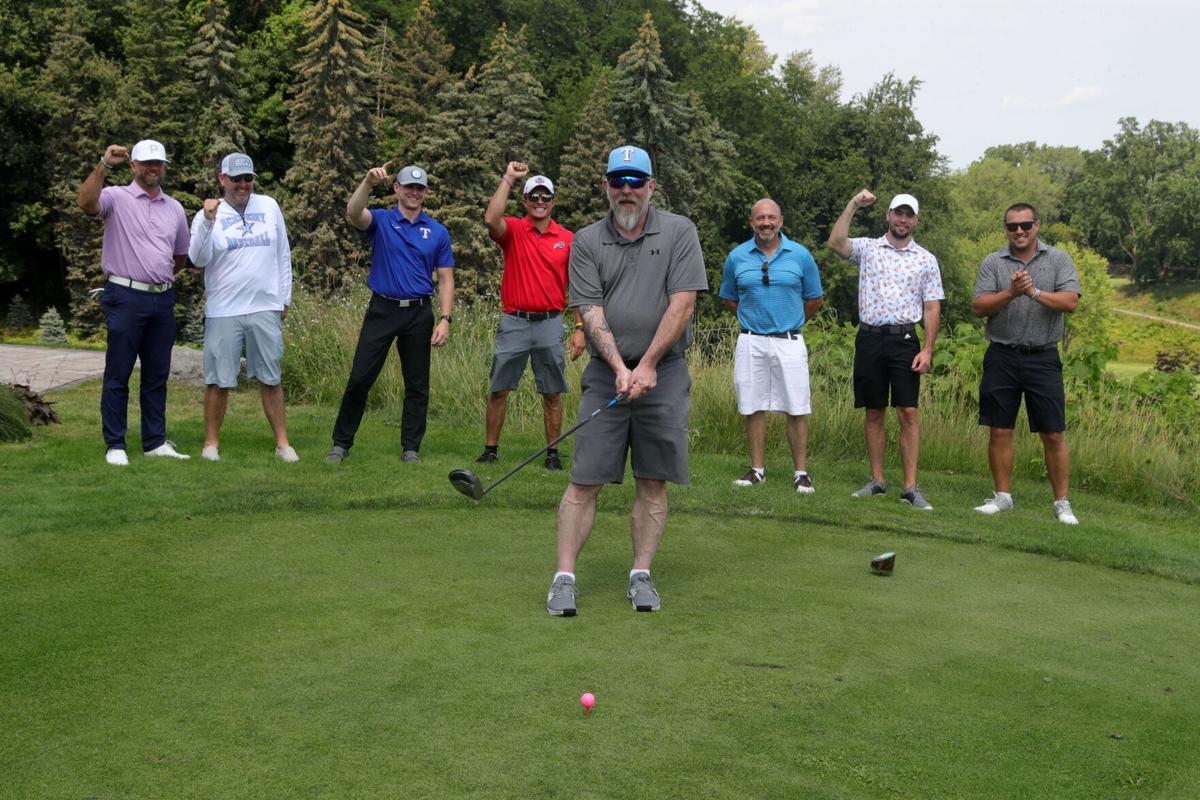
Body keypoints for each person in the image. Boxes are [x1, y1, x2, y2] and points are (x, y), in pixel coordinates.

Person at [545, 145, 708, 617]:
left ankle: (641, 574)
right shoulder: (587, 241)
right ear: (606, 187)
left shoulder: (679, 231)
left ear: (652, 186)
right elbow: (589, 311)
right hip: (605, 375)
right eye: (619, 181)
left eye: (637, 181)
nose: (628, 190)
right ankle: (564, 578)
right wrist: (620, 368)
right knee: (584, 478)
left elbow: (683, 304)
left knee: (653, 480)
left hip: (666, 372)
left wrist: (650, 364)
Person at [325, 163, 454, 464]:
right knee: (360, 378)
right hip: (383, 309)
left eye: (420, 188)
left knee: (417, 384)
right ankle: (341, 444)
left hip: (419, 313)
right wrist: (368, 182)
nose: (414, 192)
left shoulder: (437, 232)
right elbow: (354, 213)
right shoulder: (382, 220)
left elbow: (446, 278)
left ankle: (411, 447)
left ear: (425, 193)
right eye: (408, 186)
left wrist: (446, 319)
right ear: (396, 188)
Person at [77, 140, 191, 466]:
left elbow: (180, 255)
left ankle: (154, 442)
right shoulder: (116, 197)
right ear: (133, 166)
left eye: (158, 163)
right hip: (125, 297)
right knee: (119, 373)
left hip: (162, 299)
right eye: (146, 163)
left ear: (164, 167)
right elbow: (85, 203)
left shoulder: (175, 208)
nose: (153, 168)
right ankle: (115, 444)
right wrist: (104, 163)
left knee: (156, 375)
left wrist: (160, 277)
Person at [828, 190, 943, 509]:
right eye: (898, 213)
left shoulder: (926, 259)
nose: (903, 219)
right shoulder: (868, 248)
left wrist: (929, 349)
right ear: (888, 216)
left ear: (915, 220)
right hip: (869, 338)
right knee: (874, 410)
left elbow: (932, 306)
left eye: (909, 215)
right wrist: (853, 203)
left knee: (908, 411)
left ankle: (910, 488)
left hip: (905, 340)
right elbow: (836, 243)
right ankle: (877, 481)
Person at [971, 203, 1081, 524]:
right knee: (1000, 429)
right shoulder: (993, 261)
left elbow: (1070, 301)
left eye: (1026, 225)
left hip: (1043, 356)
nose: (1019, 231)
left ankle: (1062, 502)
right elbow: (979, 306)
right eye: (1012, 226)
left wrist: (1032, 292)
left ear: (1037, 226)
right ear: (1005, 229)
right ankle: (1003, 497)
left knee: (1053, 433)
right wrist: (1011, 293)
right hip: (1002, 355)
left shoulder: (1059, 259)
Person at [188, 153, 297, 463]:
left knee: (271, 377)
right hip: (224, 309)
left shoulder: (269, 205)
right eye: (236, 179)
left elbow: (282, 254)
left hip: (265, 305)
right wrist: (208, 222)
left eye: (248, 178)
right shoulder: (208, 214)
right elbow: (198, 258)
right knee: (218, 380)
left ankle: (283, 443)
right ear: (223, 179)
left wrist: (283, 297)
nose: (243, 185)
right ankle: (211, 444)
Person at [477, 161, 585, 470]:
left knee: (552, 392)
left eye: (545, 197)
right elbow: (490, 218)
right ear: (525, 201)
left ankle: (552, 454)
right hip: (515, 321)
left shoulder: (568, 238)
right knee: (499, 388)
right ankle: (490, 450)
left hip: (550, 323)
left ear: (553, 201)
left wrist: (580, 327)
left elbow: (578, 287)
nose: (539, 202)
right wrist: (509, 178)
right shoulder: (513, 229)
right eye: (533, 197)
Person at [719, 198, 824, 492]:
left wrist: (790, 321)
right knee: (752, 405)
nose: (766, 223)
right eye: (760, 218)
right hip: (751, 340)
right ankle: (757, 469)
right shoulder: (737, 257)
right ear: (751, 222)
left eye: (771, 218)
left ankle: (801, 472)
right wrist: (754, 319)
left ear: (781, 221)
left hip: (789, 341)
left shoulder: (800, 255)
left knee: (796, 406)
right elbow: (729, 298)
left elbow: (815, 298)